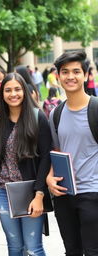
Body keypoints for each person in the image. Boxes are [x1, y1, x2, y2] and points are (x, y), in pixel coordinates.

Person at [0, 72, 52, 256]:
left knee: (33, 247)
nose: (13, 94)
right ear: (2, 94)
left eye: (17, 89)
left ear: (24, 91)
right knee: (14, 247)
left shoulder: (37, 117)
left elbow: (46, 158)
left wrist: (39, 195)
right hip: (2, 191)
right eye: (8, 90)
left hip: (29, 190)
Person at [46, 50, 98, 255]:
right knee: (72, 251)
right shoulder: (56, 114)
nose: (70, 76)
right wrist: (50, 177)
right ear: (58, 76)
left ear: (85, 75)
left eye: (76, 71)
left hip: (93, 194)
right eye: (65, 72)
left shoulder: (95, 109)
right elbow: (56, 151)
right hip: (64, 195)